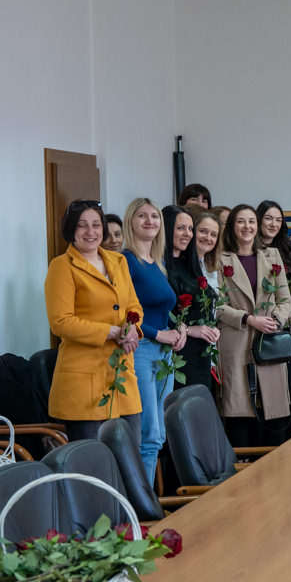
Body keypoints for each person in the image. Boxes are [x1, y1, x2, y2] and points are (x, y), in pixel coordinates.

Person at [44, 200, 142, 441]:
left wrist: (132, 329)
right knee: (93, 465)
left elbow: (133, 306)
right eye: (82, 226)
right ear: (71, 230)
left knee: (130, 457)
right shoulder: (62, 267)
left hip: (121, 373)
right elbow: (60, 322)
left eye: (96, 225)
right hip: (84, 383)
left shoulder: (118, 262)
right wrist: (110, 331)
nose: (91, 232)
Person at [217, 205, 291, 446]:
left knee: (274, 414)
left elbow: (285, 298)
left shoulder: (271, 255)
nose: (247, 227)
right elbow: (217, 305)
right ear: (232, 227)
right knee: (241, 415)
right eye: (241, 221)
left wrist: (277, 319)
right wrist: (249, 319)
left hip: (269, 340)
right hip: (236, 340)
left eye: (251, 221)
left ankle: (277, 472)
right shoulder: (220, 258)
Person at [119, 198, 184, 480]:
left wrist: (178, 328)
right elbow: (124, 313)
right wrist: (159, 333)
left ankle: (146, 502)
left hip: (164, 353)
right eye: (142, 216)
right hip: (142, 351)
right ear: (130, 222)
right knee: (149, 432)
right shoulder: (127, 261)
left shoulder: (156, 263)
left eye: (155, 216)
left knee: (158, 435)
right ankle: (141, 511)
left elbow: (161, 309)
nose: (150, 221)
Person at [258, 200, 291, 433]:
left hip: (287, 330)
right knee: (268, 398)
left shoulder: (286, 248)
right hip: (261, 330)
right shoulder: (248, 248)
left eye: (278, 220)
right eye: (268, 218)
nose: (273, 224)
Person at [163, 205, 220, 399]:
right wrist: (188, 329)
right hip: (178, 351)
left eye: (189, 229)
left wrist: (211, 328)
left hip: (200, 353)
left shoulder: (190, 264)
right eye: (181, 228)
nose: (187, 234)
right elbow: (160, 312)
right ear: (167, 228)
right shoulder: (160, 266)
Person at [190, 208, 223, 289]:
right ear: (192, 231)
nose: (208, 238)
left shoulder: (211, 266)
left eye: (213, 235)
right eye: (203, 231)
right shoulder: (181, 264)